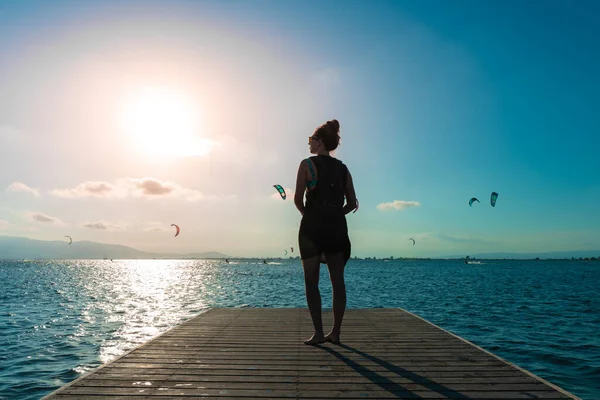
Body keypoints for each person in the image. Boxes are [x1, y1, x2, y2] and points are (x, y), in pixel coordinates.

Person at [294, 119, 358, 345]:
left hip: (312, 227)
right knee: (338, 282)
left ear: (320, 142)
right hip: (336, 227)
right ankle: (336, 333)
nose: (309, 143)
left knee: (311, 282)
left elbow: (297, 200)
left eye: (311, 140)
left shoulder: (306, 164)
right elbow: (352, 203)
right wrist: (334, 214)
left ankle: (319, 333)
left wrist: (310, 215)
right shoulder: (343, 169)